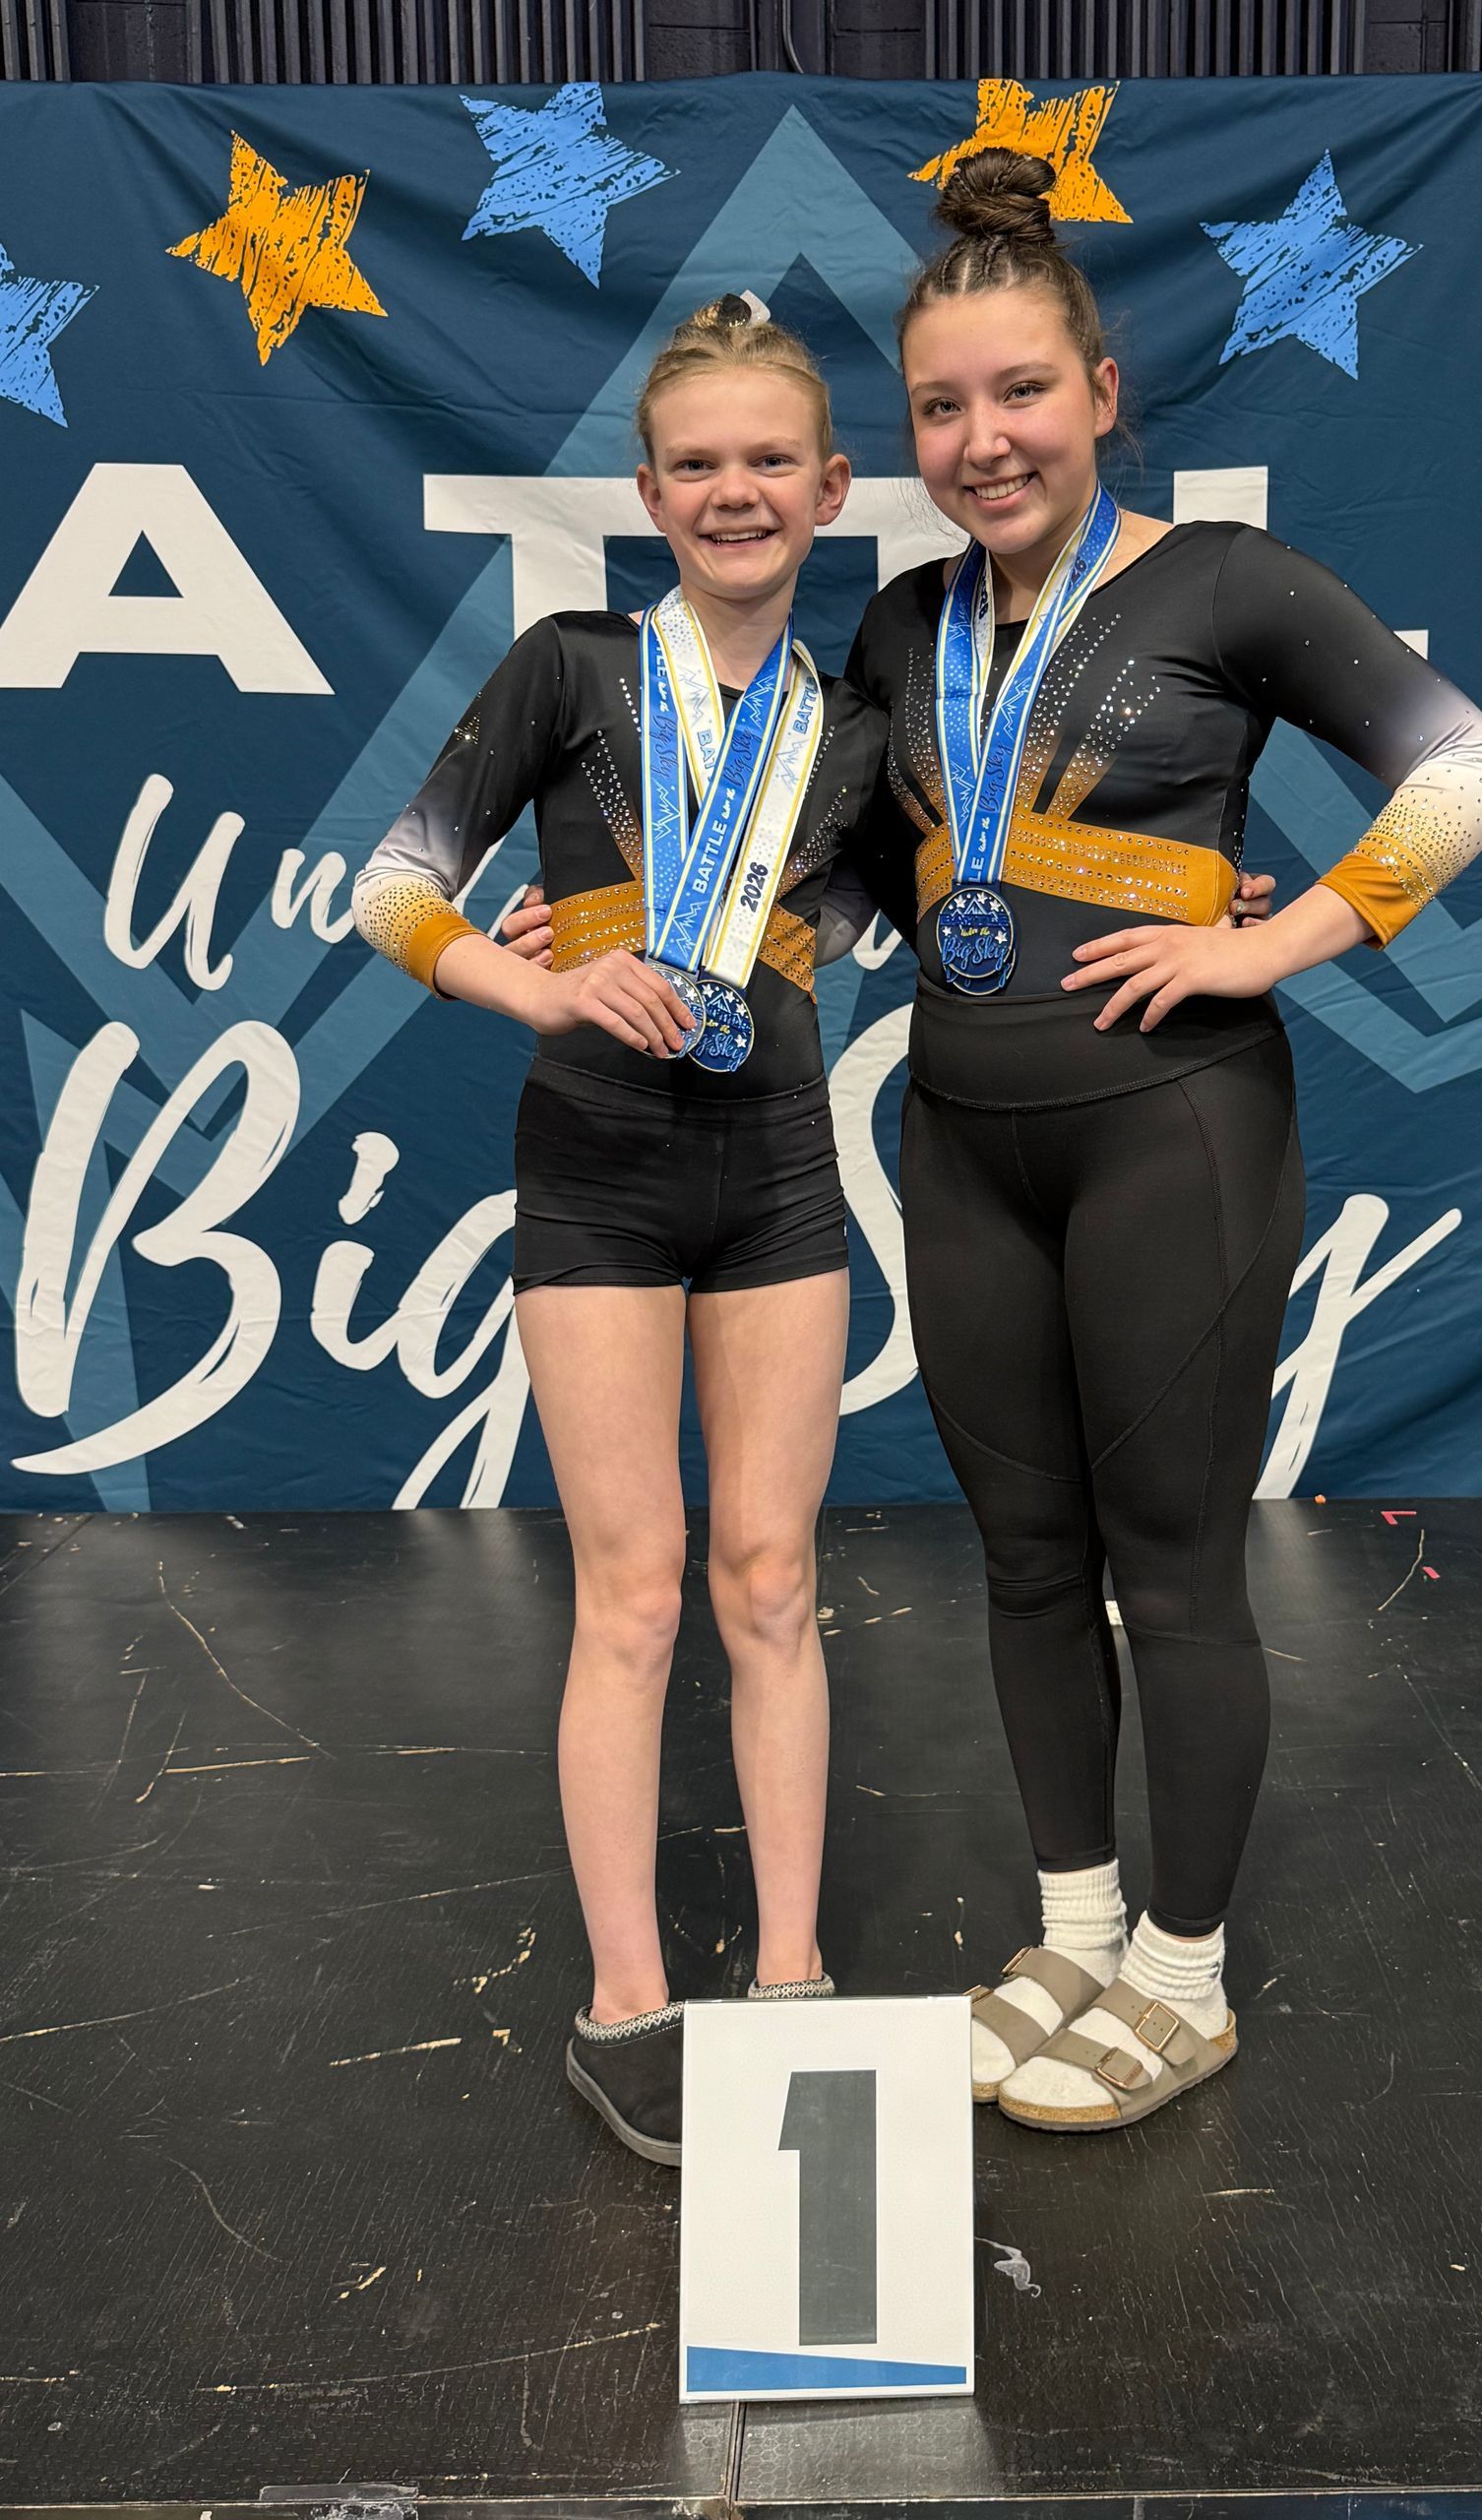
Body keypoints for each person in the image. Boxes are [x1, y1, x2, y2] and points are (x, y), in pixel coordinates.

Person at [840, 149, 1482, 2133]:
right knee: (1024, 1557)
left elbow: (1468, 768)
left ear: (1103, 388)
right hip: (963, 1148)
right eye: (945, 408)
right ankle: (1071, 1928)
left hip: (1171, 1139)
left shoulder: (1224, 582)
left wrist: (1287, 937)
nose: (985, 440)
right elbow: (850, 868)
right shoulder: (903, 629)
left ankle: (1186, 1972)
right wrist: (614, 925)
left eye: (1021, 393)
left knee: (1174, 1563)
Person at [352, 297, 897, 2167]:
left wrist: (1186, 875)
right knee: (637, 1595)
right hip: (592, 1174)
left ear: (833, 489)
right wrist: (548, 992)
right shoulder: (572, 668)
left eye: (772, 461)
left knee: (771, 1583)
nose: (735, 490)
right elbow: (395, 888)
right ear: (646, 488)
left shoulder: (866, 729)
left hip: (781, 1187)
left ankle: (798, 1986)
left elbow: (986, 897)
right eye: (699, 462)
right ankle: (626, 2000)